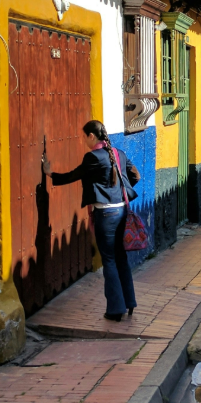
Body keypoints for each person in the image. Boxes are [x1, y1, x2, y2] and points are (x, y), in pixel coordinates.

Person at [42, 120, 140, 322]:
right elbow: (135, 176)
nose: (83, 140)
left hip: (105, 215)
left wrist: (50, 174)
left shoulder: (93, 157)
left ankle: (115, 310)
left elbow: (73, 175)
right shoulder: (118, 153)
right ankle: (129, 303)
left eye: (84, 136)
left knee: (110, 260)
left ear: (91, 137)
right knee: (120, 258)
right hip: (122, 210)